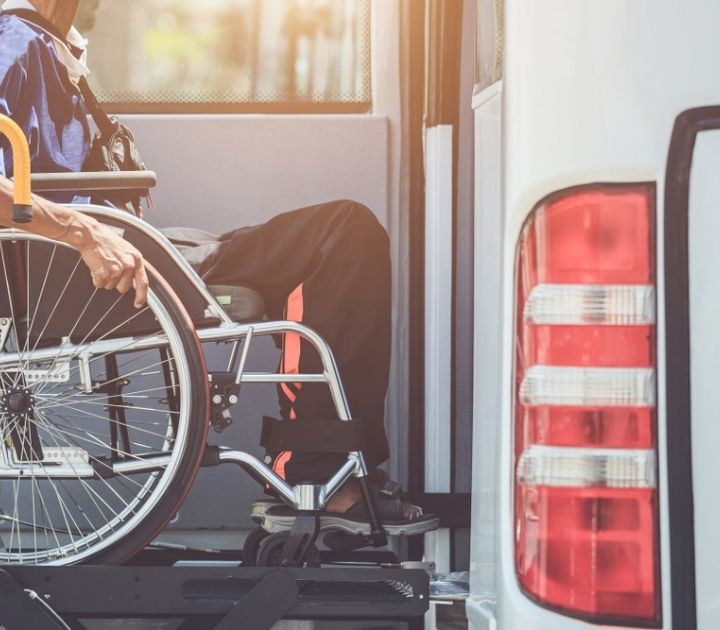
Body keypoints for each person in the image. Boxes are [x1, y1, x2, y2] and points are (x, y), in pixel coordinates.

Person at [0, 0, 434, 529]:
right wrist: (84, 232)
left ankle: (319, 466)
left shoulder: (50, 44)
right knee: (343, 231)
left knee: (328, 242)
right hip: (82, 268)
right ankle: (321, 471)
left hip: (110, 252)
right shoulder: (16, 43)